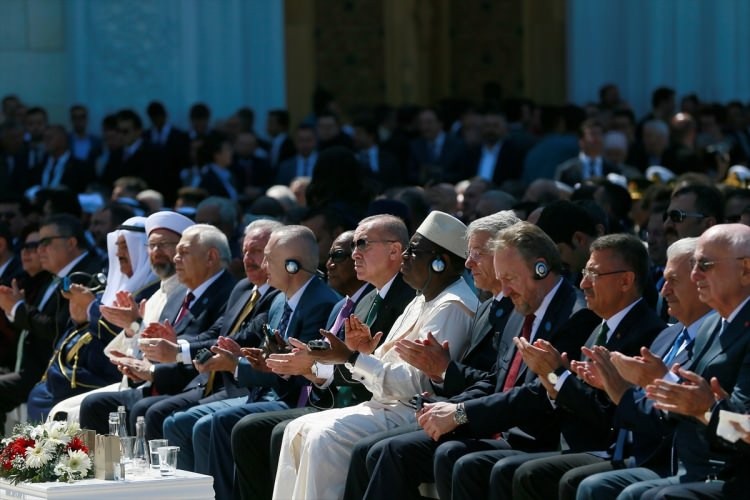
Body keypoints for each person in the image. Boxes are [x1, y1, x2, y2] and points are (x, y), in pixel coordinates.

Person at [361, 221, 599, 500]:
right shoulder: (520, 310)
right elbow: (496, 381)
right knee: (389, 450)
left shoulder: (574, 316)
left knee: (458, 459)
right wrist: (447, 406)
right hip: (499, 425)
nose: (505, 291)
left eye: (509, 279)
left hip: (537, 437)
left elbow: (537, 395)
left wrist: (461, 413)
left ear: (541, 268)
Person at [273, 211, 480, 500]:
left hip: (411, 411)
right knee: (297, 429)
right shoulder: (423, 298)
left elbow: (418, 384)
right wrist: (365, 353)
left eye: (413, 252)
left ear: (439, 262)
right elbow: (385, 363)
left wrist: (353, 358)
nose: (405, 258)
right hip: (386, 405)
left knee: (323, 437)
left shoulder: (453, 306)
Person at [512, 237, 713, 500]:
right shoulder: (664, 336)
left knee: (574, 482)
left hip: (657, 457)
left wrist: (558, 377)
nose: (664, 291)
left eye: (673, 281)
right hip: (631, 450)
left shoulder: (649, 330)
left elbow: (613, 412)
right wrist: (558, 378)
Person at [232, 214, 414, 500]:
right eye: (351, 247)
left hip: (377, 403)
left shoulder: (407, 298)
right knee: (279, 431)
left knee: (287, 431)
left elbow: (371, 366)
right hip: (345, 396)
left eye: (362, 244)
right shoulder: (364, 299)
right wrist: (302, 365)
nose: (354, 255)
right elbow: (346, 361)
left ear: (395, 250)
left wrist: (310, 366)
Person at [613, 224, 750, 499]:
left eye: (705, 264)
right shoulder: (712, 324)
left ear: (746, 269)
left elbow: (744, 429)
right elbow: (690, 403)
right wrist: (661, 382)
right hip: (697, 466)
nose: (695, 274)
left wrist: (706, 409)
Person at [78, 224, 236, 437]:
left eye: (184, 252)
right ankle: (105, 468)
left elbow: (210, 344)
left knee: (147, 412)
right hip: (160, 381)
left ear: (211, 257)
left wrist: (154, 370)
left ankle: (142, 468)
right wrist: (139, 367)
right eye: (176, 252)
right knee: (93, 405)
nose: (176, 259)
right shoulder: (180, 294)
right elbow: (161, 344)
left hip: (191, 383)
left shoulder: (229, 292)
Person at [46, 210, 194, 422]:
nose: (157, 251)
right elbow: (132, 344)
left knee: (69, 414)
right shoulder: (157, 294)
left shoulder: (179, 292)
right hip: (132, 378)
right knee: (60, 412)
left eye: (164, 245)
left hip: (154, 382)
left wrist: (131, 324)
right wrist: (131, 327)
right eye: (152, 246)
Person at [25, 216, 157, 421]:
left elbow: (127, 331)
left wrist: (90, 307)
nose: (119, 252)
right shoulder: (121, 283)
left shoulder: (152, 289)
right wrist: (83, 314)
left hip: (111, 373)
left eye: (125, 246)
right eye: (117, 246)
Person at [0, 214, 104, 428]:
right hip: (39, 370)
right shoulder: (52, 277)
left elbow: (57, 328)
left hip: (59, 373)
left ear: (71, 242)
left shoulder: (84, 275)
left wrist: (18, 309)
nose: (39, 250)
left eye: (45, 242)